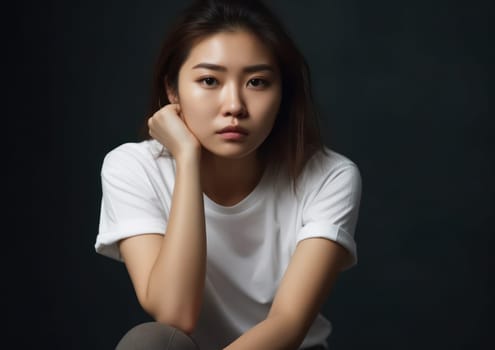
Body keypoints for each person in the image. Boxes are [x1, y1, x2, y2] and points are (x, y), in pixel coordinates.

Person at [95, 0, 362, 349]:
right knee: (150, 342)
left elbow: (288, 324)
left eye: (257, 82)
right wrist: (187, 159)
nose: (234, 105)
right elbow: (175, 315)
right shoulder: (132, 167)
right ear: (172, 90)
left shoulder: (329, 176)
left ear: (283, 94)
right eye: (209, 80)